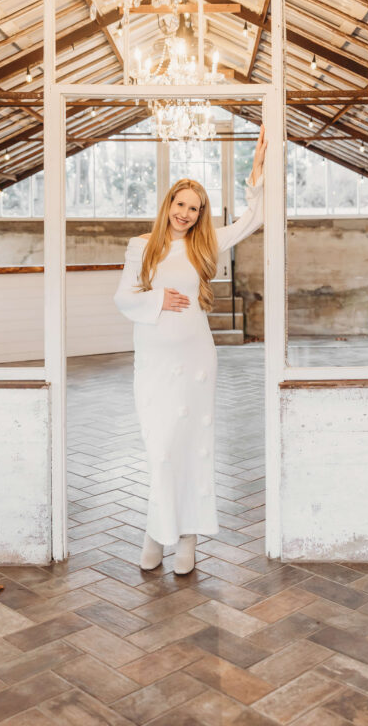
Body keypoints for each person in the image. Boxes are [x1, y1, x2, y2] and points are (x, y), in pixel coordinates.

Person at [114, 124, 267, 574]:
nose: (186, 213)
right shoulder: (140, 247)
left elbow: (252, 221)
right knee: (161, 448)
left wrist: (255, 176)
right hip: (155, 363)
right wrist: (158, 299)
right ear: (169, 205)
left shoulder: (206, 243)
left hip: (197, 360)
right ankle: (155, 532)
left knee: (192, 446)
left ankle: (186, 541)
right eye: (181, 204)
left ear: (201, 215)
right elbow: (124, 298)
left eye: (194, 208)